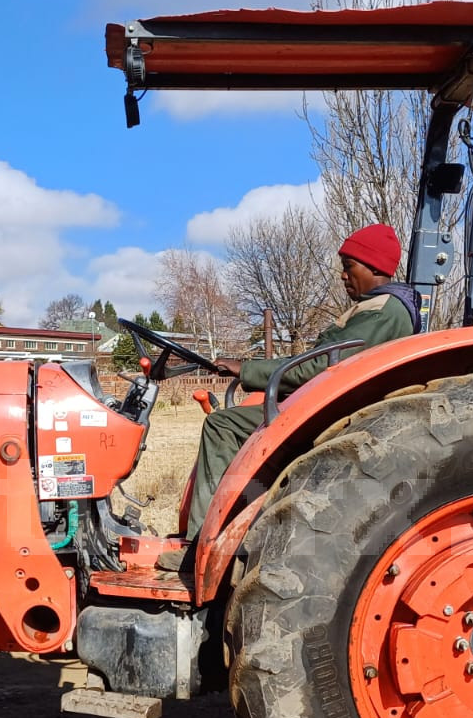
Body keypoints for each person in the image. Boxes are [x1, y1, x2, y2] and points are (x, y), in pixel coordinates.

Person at [177, 222, 420, 544]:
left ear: (374, 266)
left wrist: (246, 370)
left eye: (349, 267)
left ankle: (203, 542)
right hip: (326, 401)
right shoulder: (378, 308)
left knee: (223, 426)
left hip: (330, 409)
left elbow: (321, 367)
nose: (343, 276)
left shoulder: (383, 311)